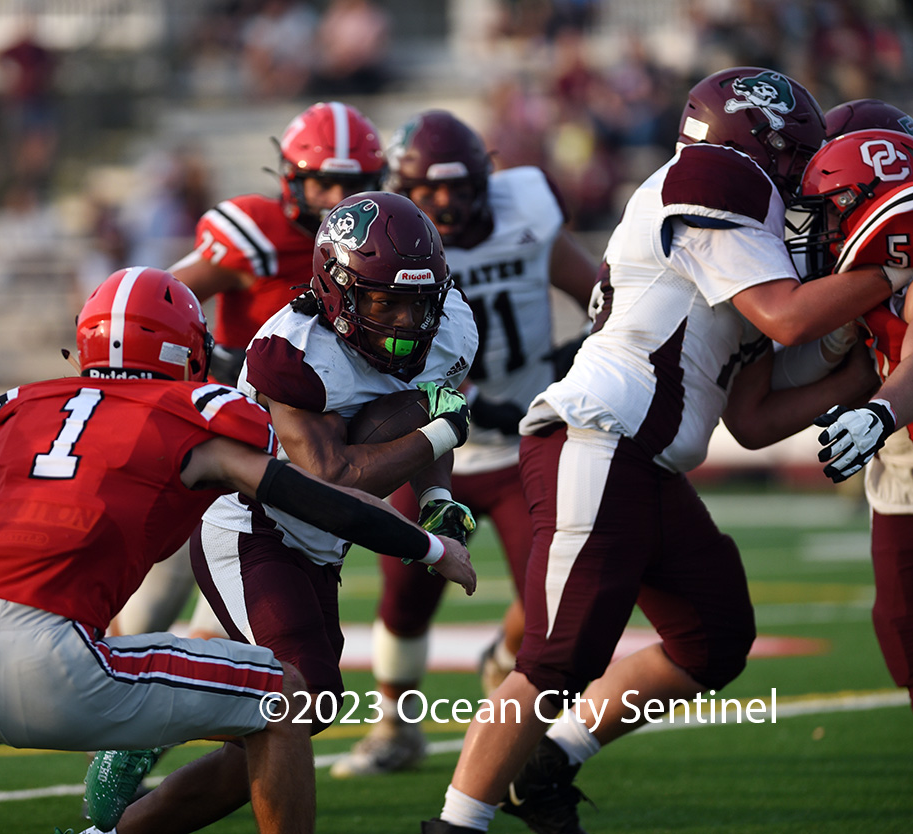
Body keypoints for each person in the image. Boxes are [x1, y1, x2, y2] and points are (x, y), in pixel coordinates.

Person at [0, 266, 476, 834]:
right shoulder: (196, 413)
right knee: (286, 698)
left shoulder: (28, 404)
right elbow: (311, 493)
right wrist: (432, 549)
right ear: (186, 350)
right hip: (51, 660)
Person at [421, 66, 905, 834]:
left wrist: (856, 376)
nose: (806, 189)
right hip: (599, 438)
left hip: (644, 461)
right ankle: (454, 825)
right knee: (554, 662)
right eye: (795, 160)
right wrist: (891, 267)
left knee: (712, 636)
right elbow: (784, 319)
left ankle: (548, 766)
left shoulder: (744, 239)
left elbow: (751, 419)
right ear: (757, 146)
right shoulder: (712, 176)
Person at [86, 191, 480, 834]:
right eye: (385, 301)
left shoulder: (451, 319)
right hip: (254, 528)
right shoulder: (290, 352)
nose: (408, 321)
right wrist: (443, 434)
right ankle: (154, 711)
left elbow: (430, 413)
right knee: (293, 701)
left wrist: (436, 496)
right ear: (338, 290)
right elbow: (332, 475)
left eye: (418, 300)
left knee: (309, 708)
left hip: (324, 542)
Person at [330, 109, 598, 778]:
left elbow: (600, 293)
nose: (446, 203)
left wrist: (584, 354)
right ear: (401, 187)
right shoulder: (387, 241)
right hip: (427, 441)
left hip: (525, 444)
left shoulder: (527, 212)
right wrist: (468, 402)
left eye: (458, 186)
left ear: (488, 176)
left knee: (550, 601)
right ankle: (395, 725)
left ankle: (503, 668)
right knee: (405, 595)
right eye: (428, 190)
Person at [112, 100, 386, 639]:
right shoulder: (260, 233)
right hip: (222, 441)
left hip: (299, 458)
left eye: (351, 184)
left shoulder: (380, 245)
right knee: (145, 615)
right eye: (322, 182)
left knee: (238, 633)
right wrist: (221, 359)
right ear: (290, 179)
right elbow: (151, 305)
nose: (337, 200)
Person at [796, 123, 913, 711]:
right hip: (900, 471)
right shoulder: (867, 280)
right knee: (899, 623)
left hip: (896, 433)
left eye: (828, 210)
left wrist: (877, 412)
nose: (817, 228)